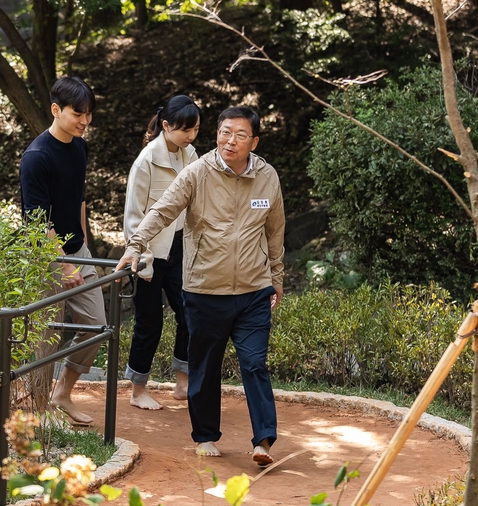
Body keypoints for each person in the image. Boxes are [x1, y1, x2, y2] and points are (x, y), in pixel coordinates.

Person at [116, 106, 285, 465]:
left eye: (240, 134)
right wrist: (135, 245)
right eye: (225, 132)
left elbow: (275, 232)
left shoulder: (268, 177)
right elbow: (162, 210)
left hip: (254, 290)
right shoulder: (197, 172)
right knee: (204, 366)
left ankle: (264, 441)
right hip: (205, 289)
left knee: (254, 364)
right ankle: (206, 436)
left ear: (254, 141)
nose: (230, 140)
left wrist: (276, 278)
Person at [20, 76, 104, 427]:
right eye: (77, 113)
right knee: (45, 334)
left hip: (76, 249)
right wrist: (65, 265)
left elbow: (79, 198)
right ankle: (39, 409)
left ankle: (62, 393)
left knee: (98, 325)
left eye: (88, 114)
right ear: (56, 110)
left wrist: (83, 242)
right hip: (45, 254)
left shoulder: (80, 147)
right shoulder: (36, 157)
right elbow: (37, 221)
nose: (84, 121)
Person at [122, 95, 201, 411]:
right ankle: (138, 389)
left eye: (195, 129)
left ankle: (183, 383)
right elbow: (133, 216)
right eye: (185, 130)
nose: (190, 136)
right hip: (149, 253)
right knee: (149, 323)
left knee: (189, 313)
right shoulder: (146, 161)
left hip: (181, 249)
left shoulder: (190, 154)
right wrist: (139, 256)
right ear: (166, 125)